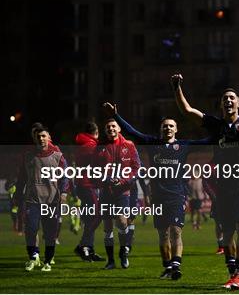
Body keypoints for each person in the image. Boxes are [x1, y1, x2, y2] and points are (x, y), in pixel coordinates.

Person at [172, 70, 239, 290]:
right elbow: (188, 111)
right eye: (225, 99)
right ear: (221, 105)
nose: (228, 100)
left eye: (232, 98)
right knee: (227, 232)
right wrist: (177, 88)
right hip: (223, 186)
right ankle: (232, 274)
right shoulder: (215, 125)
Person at [103, 102, 209, 280]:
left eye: (171, 126)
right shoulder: (152, 143)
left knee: (176, 231)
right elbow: (131, 132)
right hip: (158, 196)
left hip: (177, 195)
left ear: (176, 130)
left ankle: (176, 264)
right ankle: (167, 266)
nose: (168, 128)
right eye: (165, 126)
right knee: (163, 234)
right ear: (161, 129)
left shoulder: (184, 146)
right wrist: (116, 116)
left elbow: (207, 142)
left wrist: (223, 131)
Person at [15, 124, 68, 272]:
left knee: (50, 232)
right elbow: (22, 178)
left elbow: (65, 177)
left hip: (51, 201)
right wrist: (18, 195)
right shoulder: (28, 156)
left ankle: (48, 260)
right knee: (31, 229)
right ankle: (33, 256)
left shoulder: (58, 156)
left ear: (48, 137)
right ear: (35, 139)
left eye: (43, 135)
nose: (41, 138)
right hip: (33, 200)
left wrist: (63, 193)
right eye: (38, 136)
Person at [97, 119, 141, 270]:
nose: (111, 128)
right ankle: (110, 261)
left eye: (113, 126)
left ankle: (123, 253)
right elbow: (94, 169)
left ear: (119, 128)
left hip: (123, 191)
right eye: (108, 126)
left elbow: (136, 168)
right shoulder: (100, 147)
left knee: (122, 222)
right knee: (108, 227)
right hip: (105, 192)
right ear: (105, 130)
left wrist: (123, 181)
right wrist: (106, 178)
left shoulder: (129, 145)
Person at [73, 122, 105, 262]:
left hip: (83, 185)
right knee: (96, 216)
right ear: (96, 133)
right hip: (88, 185)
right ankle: (83, 246)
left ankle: (89, 249)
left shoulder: (83, 144)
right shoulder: (91, 146)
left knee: (90, 218)